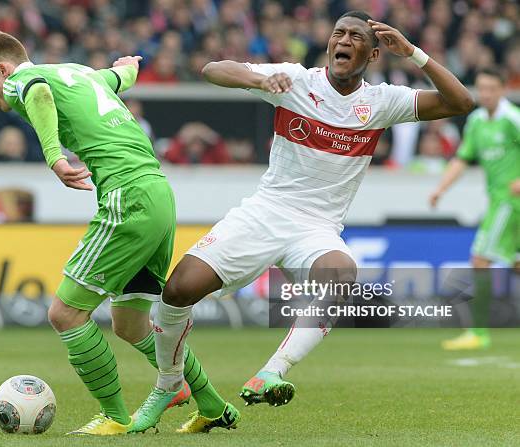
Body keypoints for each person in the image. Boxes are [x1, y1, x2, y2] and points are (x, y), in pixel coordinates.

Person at [131, 10, 474, 430]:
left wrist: (415, 53)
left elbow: (461, 102)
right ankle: (170, 383)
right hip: (265, 212)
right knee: (179, 290)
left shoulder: (382, 101)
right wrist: (260, 80)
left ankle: (273, 371)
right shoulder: (296, 80)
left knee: (341, 274)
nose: (343, 40)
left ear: (373, 53)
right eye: (338, 33)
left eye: (355, 36)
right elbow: (212, 69)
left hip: (317, 228)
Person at [0, 31, 232, 436]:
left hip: (128, 199)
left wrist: (54, 157)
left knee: (65, 313)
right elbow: (118, 78)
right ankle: (209, 403)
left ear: (2, 69)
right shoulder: (78, 73)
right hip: (157, 194)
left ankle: (116, 417)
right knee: (129, 324)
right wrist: (131, 66)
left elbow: (35, 92)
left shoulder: (24, 80)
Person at [430, 68, 520, 350]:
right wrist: (441, 188)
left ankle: (479, 333)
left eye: (492, 89)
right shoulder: (477, 122)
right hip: (498, 200)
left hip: (510, 202)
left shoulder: (511, 118)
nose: (486, 94)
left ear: (502, 90)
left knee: (480, 259)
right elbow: (462, 158)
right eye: (481, 89)